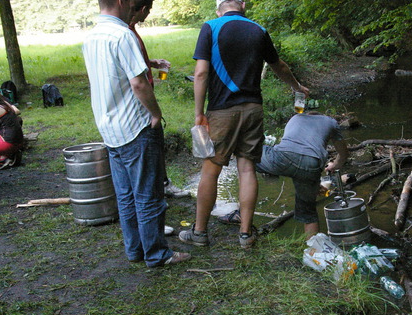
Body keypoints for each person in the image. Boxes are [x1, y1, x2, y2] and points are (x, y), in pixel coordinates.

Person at [179, 0, 309, 249]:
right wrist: (297, 87)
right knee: (247, 169)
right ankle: (246, 235)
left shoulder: (211, 27)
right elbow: (279, 65)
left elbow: (201, 73)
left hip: (221, 111)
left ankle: (199, 233)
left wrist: (198, 113)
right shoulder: (258, 30)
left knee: (211, 170)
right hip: (253, 110)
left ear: (219, 9)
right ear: (242, 5)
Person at [82, 0, 190, 266]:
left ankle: (135, 250)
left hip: (109, 128)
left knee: (126, 195)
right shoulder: (122, 35)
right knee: (148, 196)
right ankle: (157, 254)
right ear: (120, 1)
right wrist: (155, 113)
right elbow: (139, 83)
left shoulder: (92, 36)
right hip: (135, 127)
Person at [220, 112, 349, 239]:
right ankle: (314, 250)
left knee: (247, 156)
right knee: (309, 212)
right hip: (312, 164)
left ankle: (242, 214)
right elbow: (343, 155)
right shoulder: (330, 122)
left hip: (282, 158)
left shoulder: (296, 117)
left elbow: (289, 147)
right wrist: (335, 165)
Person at [128, 0, 190, 199]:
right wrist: (156, 113)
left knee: (155, 143)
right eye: (149, 11)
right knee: (149, 145)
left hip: (141, 98)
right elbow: (135, 79)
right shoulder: (126, 33)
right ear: (144, 9)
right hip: (138, 103)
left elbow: (134, 61)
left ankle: (162, 184)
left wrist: (152, 63)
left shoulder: (131, 29)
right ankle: (154, 194)